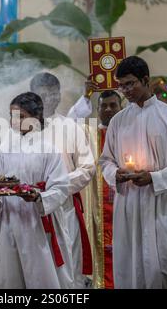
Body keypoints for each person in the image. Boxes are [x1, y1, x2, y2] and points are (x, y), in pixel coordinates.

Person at [99, 56, 167, 289]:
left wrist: (154, 178)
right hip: (128, 203)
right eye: (122, 85)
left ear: (146, 80)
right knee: (128, 263)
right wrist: (116, 174)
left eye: (130, 83)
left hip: (160, 202)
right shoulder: (117, 122)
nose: (126, 90)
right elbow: (105, 161)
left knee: (161, 265)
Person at [0, 92, 74, 288]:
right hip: (9, 220)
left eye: (21, 116)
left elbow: (60, 187)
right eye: (12, 116)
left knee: (41, 276)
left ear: (37, 118)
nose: (14, 121)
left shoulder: (49, 149)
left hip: (38, 221)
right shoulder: (3, 149)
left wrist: (39, 197)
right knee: (10, 277)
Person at [30, 73, 96, 288]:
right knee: (36, 269)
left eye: (53, 93)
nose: (49, 98)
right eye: (43, 93)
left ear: (59, 95)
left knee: (69, 268)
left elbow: (87, 167)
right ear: (33, 96)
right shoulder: (23, 129)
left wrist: (57, 187)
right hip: (32, 208)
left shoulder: (70, 127)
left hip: (64, 207)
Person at [67, 87, 124, 289]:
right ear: (97, 110)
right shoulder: (88, 133)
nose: (108, 110)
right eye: (104, 106)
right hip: (96, 204)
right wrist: (86, 95)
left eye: (113, 105)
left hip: (124, 204)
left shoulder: (130, 131)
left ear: (121, 107)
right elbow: (69, 122)